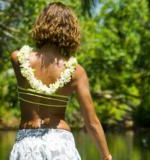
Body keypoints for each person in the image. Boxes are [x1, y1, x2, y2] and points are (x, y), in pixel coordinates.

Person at [9, 2, 112, 160]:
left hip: (26, 144)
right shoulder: (76, 72)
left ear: (41, 25)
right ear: (71, 31)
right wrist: (106, 156)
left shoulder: (18, 59)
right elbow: (91, 122)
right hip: (60, 144)